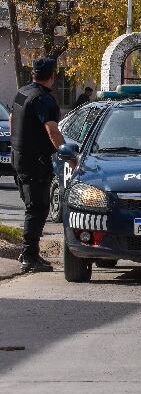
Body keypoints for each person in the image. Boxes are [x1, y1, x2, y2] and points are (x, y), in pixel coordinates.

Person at [10, 58, 66, 273]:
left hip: (19, 157)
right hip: (35, 162)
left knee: (32, 206)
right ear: (52, 75)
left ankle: (29, 253)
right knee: (37, 208)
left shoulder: (23, 92)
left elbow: (13, 118)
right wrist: (66, 153)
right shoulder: (44, 99)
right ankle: (29, 256)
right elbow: (52, 130)